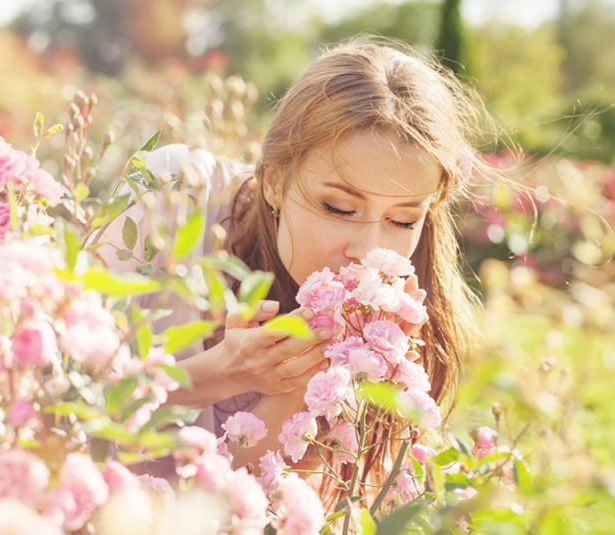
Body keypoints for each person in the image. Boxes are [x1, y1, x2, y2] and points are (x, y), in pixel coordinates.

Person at [98, 39, 494, 506]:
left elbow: (233, 504)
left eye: (403, 220)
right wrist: (215, 374)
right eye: (338, 207)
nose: (367, 250)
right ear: (274, 181)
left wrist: (309, 389)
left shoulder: (398, 320)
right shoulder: (172, 194)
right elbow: (51, 410)